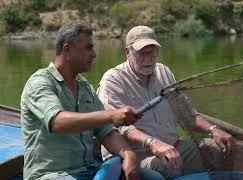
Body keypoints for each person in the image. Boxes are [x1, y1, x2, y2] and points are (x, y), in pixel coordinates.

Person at [20, 22, 164, 180]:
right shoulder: (40, 82)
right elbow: (57, 121)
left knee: (155, 178)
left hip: (89, 170)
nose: (94, 54)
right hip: (50, 175)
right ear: (67, 50)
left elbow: (106, 132)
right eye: (88, 48)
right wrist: (110, 115)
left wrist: (129, 155)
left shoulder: (85, 87)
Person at [97, 25, 233, 179]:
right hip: (135, 155)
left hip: (173, 147)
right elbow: (118, 127)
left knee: (216, 149)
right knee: (167, 166)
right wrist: (153, 143)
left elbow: (187, 114)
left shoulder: (164, 72)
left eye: (152, 52)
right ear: (127, 52)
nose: (148, 59)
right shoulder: (113, 80)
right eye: (142, 53)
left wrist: (213, 129)